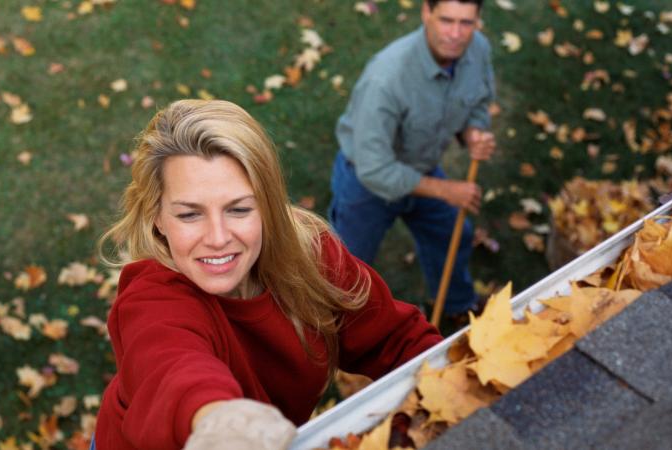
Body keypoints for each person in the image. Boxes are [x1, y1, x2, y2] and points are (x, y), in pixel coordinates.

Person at [93, 99, 442, 449]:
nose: (218, 238)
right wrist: (220, 422)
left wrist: (448, 392)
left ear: (268, 206)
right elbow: (173, 369)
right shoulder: (152, 300)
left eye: (239, 209)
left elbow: (397, 340)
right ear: (156, 216)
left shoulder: (310, 255)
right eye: (189, 215)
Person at [328, 0, 496, 319]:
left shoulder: (478, 50)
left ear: (477, 21)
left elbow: (479, 101)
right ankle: (338, 328)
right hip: (366, 183)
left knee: (453, 235)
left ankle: (457, 305)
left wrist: (473, 132)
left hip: (421, 165)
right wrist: (445, 190)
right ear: (426, 13)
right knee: (345, 270)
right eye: (446, 20)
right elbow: (375, 168)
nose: (456, 34)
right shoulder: (386, 79)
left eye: (466, 23)